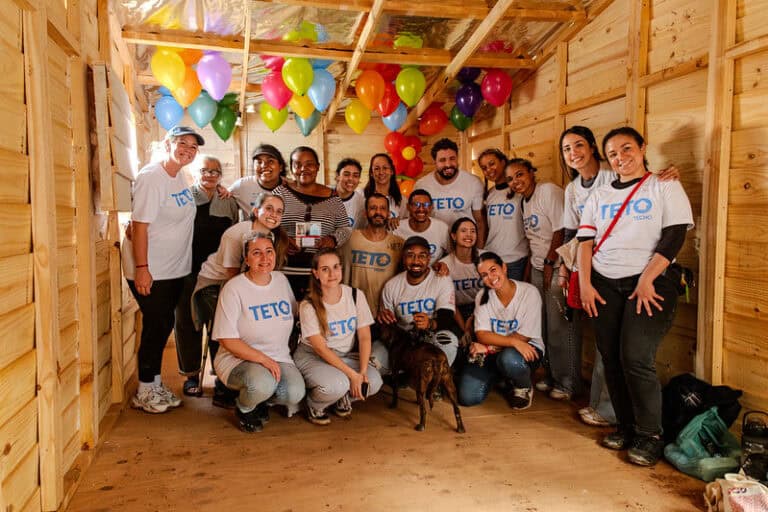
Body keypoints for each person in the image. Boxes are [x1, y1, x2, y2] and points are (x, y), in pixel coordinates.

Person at [577, 126, 693, 466]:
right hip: (603, 283)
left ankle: (650, 435)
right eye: (612, 154)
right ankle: (626, 427)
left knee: (636, 356)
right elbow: (585, 242)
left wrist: (647, 278)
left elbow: (673, 237)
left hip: (650, 283)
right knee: (611, 357)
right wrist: (585, 285)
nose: (620, 158)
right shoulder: (599, 196)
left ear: (643, 147)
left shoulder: (664, 185)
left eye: (627, 148)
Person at [121, 126, 202, 414]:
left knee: (163, 324)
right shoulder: (152, 177)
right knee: (156, 326)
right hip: (152, 268)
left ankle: (154, 383)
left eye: (193, 147)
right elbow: (139, 226)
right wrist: (142, 268)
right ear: (167, 144)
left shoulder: (179, 174)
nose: (187, 150)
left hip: (172, 269)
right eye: (182, 143)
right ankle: (145, 389)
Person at [191, 192, 289, 404]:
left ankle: (255, 373)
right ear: (255, 211)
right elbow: (233, 279)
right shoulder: (236, 234)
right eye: (269, 209)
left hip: (242, 281)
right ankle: (222, 386)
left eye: (279, 211)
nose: (274, 214)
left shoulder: (273, 236)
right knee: (224, 325)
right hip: (215, 284)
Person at [212, 232, 306, 433]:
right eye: (256, 253)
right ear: (246, 259)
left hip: (278, 357)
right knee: (261, 384)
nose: (265, 258)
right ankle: (244, 407)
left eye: (269, 251)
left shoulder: (281, 280)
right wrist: (263, 360)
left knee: (294, 393)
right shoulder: (233, 288)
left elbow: (295, 311)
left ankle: (259, 401)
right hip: (237, 360)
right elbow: (227, 340)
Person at [506, 158, 576, 401]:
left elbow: (561, 230)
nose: (515, 181)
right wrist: (531, 268)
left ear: (531, 172)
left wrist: (549, 262)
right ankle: (552, 374)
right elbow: (533, 240)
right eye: (510, 179)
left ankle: (568, 383)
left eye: (520, 174)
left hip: (556, 267)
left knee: (560, 328)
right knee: (542, 326)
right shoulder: (523, 202)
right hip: (537, 266)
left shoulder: (548, 191)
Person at [174, 155, 239, 397]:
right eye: (205, 170)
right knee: (186, 321)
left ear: (220, 176)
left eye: (215, 171)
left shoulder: (228, 201)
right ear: (196, 172)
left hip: (218, 271)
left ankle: (221, 374)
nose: (210, 175)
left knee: (219, 324)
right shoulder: (186, 196)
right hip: (186, 269)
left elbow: (234, 233)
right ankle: (191, 375)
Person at [294, 249, 383, 425]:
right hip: (313, 356)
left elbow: (364, 337)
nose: (332, 274)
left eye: (335, 267)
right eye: (325, 269)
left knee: (373, 382)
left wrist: (362, 372)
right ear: (316, 273)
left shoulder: (355, 295)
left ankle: (340, 398)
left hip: (345, 355)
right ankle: (315, 404)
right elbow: (321, 348)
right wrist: (352, 375)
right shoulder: (308, 305)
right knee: (337, 384)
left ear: (341, 268)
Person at [458, 252, 543, 410]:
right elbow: (482, 335)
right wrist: (505, 344)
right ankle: (501, 377)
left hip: (523, 352)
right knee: (468, 397)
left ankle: (523, 387)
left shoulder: (529, 292)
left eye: (493, 270)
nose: (490, 277)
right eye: (484, 275)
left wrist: (490, 347)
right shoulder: (482, 296)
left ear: (504, 267)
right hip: (492, 351)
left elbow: (523, 337)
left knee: (509, 359)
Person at [274, 146, 351, 298]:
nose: (304, 169)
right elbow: (267, 224)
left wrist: (333, 239)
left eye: (309, 164)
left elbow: (345, 228)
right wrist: (282, 239)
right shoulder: (280, 193)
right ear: (292, 168)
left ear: (317, 167)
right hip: (283, 272)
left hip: (320, 275)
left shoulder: (333, 198)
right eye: (297, 164)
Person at [379, 236, 461, 368]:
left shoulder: (441, 279)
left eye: (422, 256)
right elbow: (389, 325)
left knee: (448, 339)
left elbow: (447, 317)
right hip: (403, 339)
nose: (416, 261)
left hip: (431, 336)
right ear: (403, 258)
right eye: (410, 255)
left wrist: (430, 323)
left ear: (429, 258)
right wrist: (384, 319)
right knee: (376, 359)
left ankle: (436, 377)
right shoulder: (391, 285)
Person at [414, 138, 486, 247]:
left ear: (457, 158)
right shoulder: (422, 185)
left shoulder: (473, 182)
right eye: (442, 160)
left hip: (464, 245)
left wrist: (479, 251)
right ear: (435, 162)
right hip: (434, 245)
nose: (448, 164)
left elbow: (480, 222)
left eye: (452, 158)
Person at [342, 193, 404, 317]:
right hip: (353, 313)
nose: (378, 212)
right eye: (373, 208)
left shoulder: (400, 244)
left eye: (382, 208)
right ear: (365, 213)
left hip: (386, 315)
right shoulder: (348, 239)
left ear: (388, 213)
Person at [478, 148, 528, 280]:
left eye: (492, 164)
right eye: (484, 168)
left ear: (503, 162)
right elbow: (486, 227)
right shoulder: (489, 194)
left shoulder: (519, 191)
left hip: (515, 260)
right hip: (492, 259)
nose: (489, 169)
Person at [440, 217, 483, 330]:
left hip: (483, 307)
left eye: (473, 231)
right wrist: (464, 328)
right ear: (454, 236)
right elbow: (449, 302)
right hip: (457, 311)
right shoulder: (444, 265)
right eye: (463, 231)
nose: (469, 235)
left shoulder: (486, 258)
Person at [393, 189, 450, 265]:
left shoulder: (442, 228)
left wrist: (442, 263)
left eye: (426, 205)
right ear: (408, 207)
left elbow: (451, 254)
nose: (421, 209)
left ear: (431, 207)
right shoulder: (397, 227)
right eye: (416, 204)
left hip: (433, 272)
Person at [228, 144, 288, 216]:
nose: (264, 165)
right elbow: (224, 194)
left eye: (270, 161)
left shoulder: (290, 187)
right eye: (259, 162)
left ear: (281, 167)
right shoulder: (242, 185)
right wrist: (220, 188)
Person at [362, 153, 404, 219]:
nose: (381, 172)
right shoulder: (361, 195)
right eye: (377, 168)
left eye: (385, 168)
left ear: (392, 171)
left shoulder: (402, 200)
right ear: (371, 173)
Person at [335, 158, 365, 228]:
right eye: (346, 174)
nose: (351, 179)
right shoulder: (322, 195)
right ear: (337, 176)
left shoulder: (361, 203)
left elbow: (359, 231)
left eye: (355, 176)